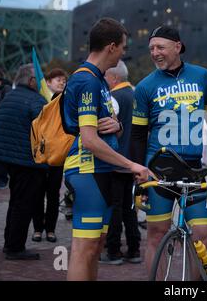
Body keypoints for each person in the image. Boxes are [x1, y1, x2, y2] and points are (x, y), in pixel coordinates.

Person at [63, 17, 148, 281]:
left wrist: (117, 126)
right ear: (111, 46)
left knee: (95, 247)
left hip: (101, 172)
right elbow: (88, 139)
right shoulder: (87, 80)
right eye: (122, 47)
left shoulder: (99, 81)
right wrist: (131, 164)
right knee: (84, 250)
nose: (124, 52)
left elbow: (102, 129)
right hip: (88, 171)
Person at [130, 25, 207, 276]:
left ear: (177, 47)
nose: (155, 53)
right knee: (156, 235)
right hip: (158, 170)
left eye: (160, 47)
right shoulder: (145, 86)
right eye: (151, 49)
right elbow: (137, 135)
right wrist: (138, 170)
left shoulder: (202, 76)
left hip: (193, 170)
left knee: (203, 234)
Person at [0, 64, 47, 260]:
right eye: (39, 80)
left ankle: (9, 242)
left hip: (8, 158)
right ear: (31, 81)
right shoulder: (35, 100)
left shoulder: (10, 96)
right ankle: (15, 247)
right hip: (26, 160)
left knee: (15, 201)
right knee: (24, 203)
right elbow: (44, 131)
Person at [100, 60, 142, 265]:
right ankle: (134, 249)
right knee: (129, 207)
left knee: (115, 207)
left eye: (105, 76)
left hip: (116, 161)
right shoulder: (136, 96)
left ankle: (114, 251)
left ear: (114, 78)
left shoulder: (113, 98)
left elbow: (107, 130)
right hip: (133, 161)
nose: (103, 80)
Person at [30, 68, 69, 243]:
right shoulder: (40, 101)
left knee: (53, 194)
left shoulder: (65, 101)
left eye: (63, 80)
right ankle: (38, 228)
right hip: (40, 154)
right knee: (37, 193)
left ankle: (50, 229)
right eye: (57, 79)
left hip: (57, 154)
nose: (61, 82)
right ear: (47, 82)